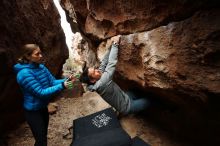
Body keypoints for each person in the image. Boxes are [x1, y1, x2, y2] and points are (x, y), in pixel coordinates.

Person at [14, 44, 75, 146]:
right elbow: (41, 92)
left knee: (42, 137)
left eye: (40, 53)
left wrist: (67, 80)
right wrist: (63, 86)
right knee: (41, 140)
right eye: (37, 54)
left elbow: (52, 82)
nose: (41, 56)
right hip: (33, 112)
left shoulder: (41, 67)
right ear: (28, 57)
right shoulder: (24, 74)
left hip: (42, 108)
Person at [80, 36, 149, 115]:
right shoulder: (102, 83)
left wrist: (110, 48)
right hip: (128, 107)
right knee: (151, 100)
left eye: (94, 69)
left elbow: (104, 63)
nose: (97, 70)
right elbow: (111, 63)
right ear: (92, 80)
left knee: (136, 91)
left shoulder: (97, 78)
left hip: (126, 97)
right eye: (94, 72)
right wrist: (115, 44)